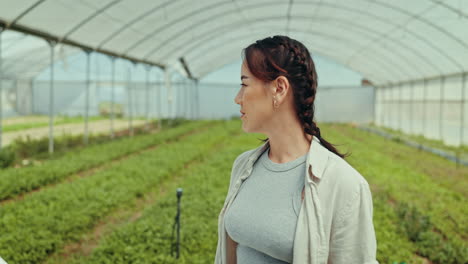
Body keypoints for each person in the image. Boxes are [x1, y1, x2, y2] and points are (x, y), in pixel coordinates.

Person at [214, 35, 378, 264]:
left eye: (244, 84)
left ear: (279, 88)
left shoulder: (344, 184)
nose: (237, 98)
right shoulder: (244, 167)